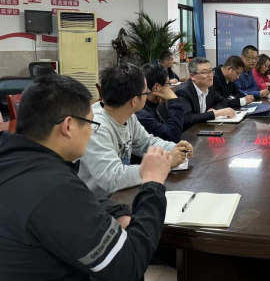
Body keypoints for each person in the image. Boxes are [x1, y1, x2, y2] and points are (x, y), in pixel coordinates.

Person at [0, 75, 173, 281]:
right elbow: (129, 264)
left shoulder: (18, 160)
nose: (92, 132)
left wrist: (117, 211)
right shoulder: (53, 188)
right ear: (68, 126)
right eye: (90, 123)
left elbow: (83, 198)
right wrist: (152, 184)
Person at [79, 63, 193, 198]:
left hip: (122, 194)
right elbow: (113, 177)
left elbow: (146, 143)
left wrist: (176, 148)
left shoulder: (128, 116)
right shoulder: (95, 127)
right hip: (99, 202)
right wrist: (166, 163)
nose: (148, 95)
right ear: (134, 101)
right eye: (146, 93)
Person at [176, 57, 236, 131]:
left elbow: (223, 101)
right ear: (193, 76)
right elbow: (187, 119)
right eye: (205, 72)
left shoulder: (209, 88)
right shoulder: (183, 92)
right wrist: (215, 113)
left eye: (211, 71)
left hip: (204, 128)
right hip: (189, 133)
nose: (210, 75)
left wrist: (214, 109)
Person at [136, 63, 185, 143]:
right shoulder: (141, 114)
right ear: (157, 87)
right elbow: (173, 136)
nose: (169, 88)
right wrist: (174, 100)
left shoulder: (153, 105)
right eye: (168, 84)